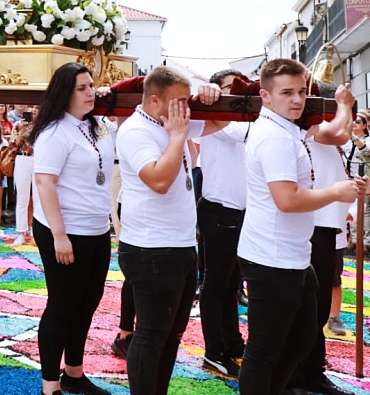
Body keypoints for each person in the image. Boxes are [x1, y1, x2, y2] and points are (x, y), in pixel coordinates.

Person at [237, 60, 364, 395]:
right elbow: (287, 199)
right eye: (286, 93)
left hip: (292, 253)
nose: (296, 100)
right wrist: (336, 192)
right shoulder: (275, 137)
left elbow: (335, 133)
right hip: (271, 255)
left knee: (303, 338)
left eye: (299, 92)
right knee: (265, 350)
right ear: (265, 96)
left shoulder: (288, 129)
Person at [115, 67, 223, 395]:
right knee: (149, 334)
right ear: (155, 99)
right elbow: (159, 180)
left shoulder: (174, 119)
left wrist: (211, 95)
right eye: (179, 100)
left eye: (188, 101)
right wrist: (178, 137)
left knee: (172, 334)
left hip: (180, 245)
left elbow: (220, 123)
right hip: (151, 249)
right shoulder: (136, 130)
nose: (185, 107)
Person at [30, 63, 115, 395]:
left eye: (92, 86)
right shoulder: (54, 132)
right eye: (82, 88)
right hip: (65, 230)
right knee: (63, 304)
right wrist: (59, 235)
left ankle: (74, 374)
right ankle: (51, 384)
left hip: (96, 228)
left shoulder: (98, 126)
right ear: (64, 92)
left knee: (88, 301)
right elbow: (44, 183)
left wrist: (111, 96)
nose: (90, 92)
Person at [195, 70, 250, 377]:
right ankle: (213, 351)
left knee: (232, 285)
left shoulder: (243, 118)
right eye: (231, 88)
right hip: (220, 211)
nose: (238, 93)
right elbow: (243, 133)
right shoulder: (220, 119)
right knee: (215, 285)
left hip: (242, 211)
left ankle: (232, 342)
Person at [10, 110, 36, 245]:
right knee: (22, 198)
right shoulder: (18, 125)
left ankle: (36, 230)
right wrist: (22, 130)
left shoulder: (43, 125)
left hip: (38, 159)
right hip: (22, 159)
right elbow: (13, 144)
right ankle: (20, 232)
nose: (33, 112)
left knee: (38, 198)